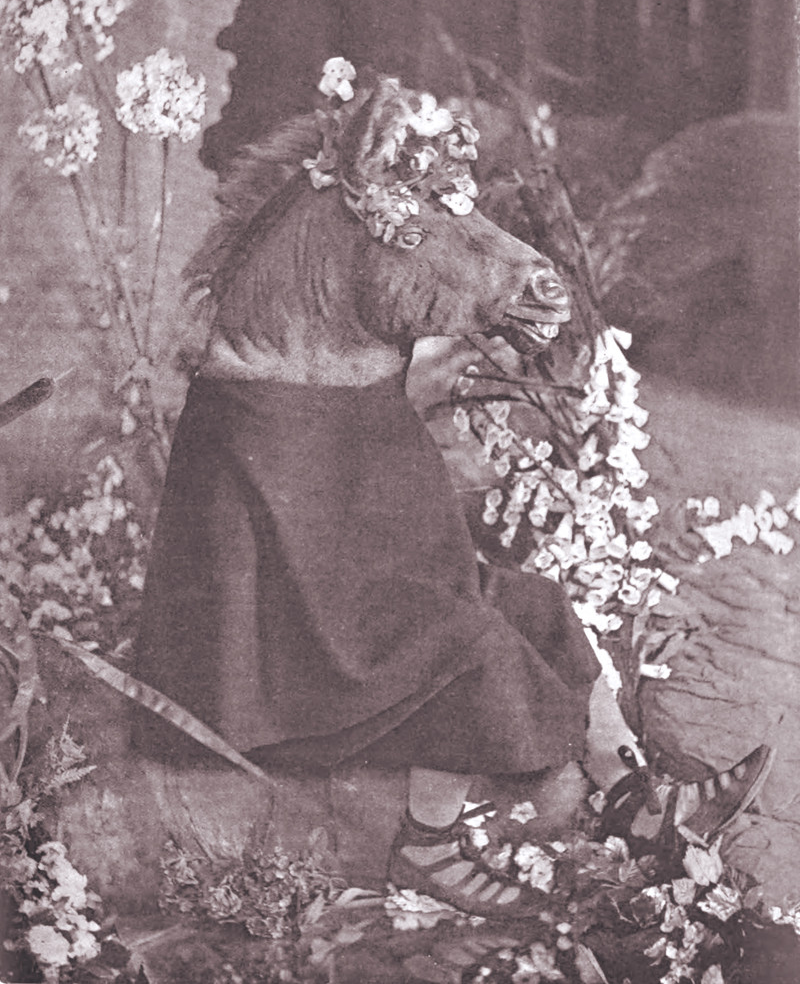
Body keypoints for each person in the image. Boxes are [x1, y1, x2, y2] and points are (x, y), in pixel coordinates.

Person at [133, 59, 773, 920]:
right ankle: (426, 845)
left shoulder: (340, 383)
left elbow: (382, 536)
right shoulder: (251, 410)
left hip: (328, 617)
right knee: (470, 645)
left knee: (539, 605)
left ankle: (637, 796)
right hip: (268, 677)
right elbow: (300, 587)